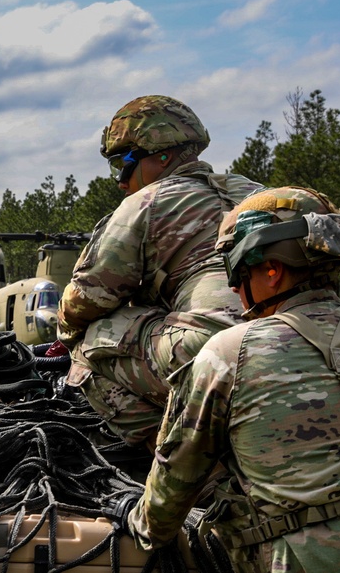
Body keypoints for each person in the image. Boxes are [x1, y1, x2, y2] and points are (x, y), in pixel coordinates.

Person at [127, 186, 340, 571]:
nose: (232, 288)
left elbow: (166, 503)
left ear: (272, 271)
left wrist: (134, 520)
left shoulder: (229, 353)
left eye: (237, 271)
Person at [58, 95, 261, 451]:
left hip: (217, 356)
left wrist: (65, 334)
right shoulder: (255, 193)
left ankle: (185, 462)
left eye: (123, 163)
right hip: (291, 346)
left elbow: (87, 299)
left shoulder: (146, 202)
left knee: (90, 346)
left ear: (161, 155)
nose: (121, 181)